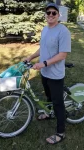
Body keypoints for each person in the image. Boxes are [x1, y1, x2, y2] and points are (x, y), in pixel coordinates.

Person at [25, 3, 71, 144]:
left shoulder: (63, 31)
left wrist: (44, 63)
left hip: (55, 74)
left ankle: (60, 132)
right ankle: (49, 113)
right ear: (45, 14)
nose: (50, 15)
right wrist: (31, 57)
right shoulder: (45, 29)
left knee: (58, 103)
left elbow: (62, 55)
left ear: (58, 15)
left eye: (54, 13)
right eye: (48, 13)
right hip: (44, 72)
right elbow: (42, 48)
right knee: (48, 96)